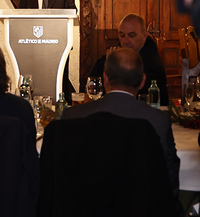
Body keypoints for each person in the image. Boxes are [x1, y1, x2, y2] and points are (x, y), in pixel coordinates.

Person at [62, 47, 180, 201]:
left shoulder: (72, 115)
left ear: (105, 78)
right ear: (142, 81)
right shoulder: (158, 120)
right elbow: (168, 179)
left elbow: (62, 175)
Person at [19, 0, 77, 103]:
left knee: (60, 74)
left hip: (59, 40)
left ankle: (62, 103)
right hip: (34, 42)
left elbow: (73, 10)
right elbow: (21, 15)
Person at [86, 13, 169, 106]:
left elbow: (127, 91)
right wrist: (109, 63)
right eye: (122, 35)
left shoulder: (151, 60)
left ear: (144, 36)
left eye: (131, 35)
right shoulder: (119, 52)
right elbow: (92, 84)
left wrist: (112, 67)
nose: (126, 41)